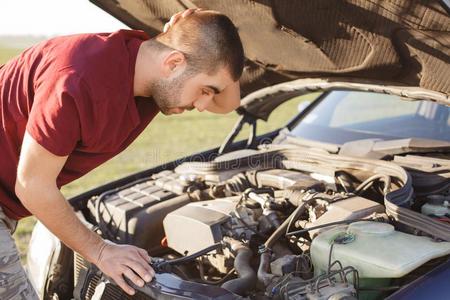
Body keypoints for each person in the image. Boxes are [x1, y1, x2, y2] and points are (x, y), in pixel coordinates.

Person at [0, 8, 244, 298]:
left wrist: (216, 41)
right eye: (205, 89)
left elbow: (228, 102)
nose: (205, 105)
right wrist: (101, 250)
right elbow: (32, 186)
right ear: (174, 62)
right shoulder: (78, 79)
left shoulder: (150, 75)